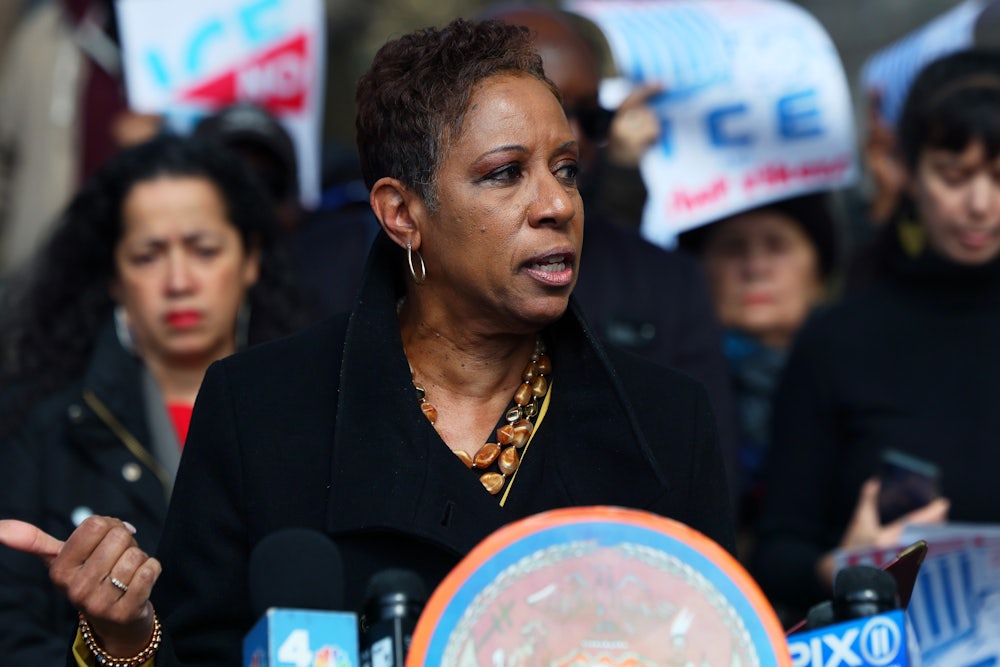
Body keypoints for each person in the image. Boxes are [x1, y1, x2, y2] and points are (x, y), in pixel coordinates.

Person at [0, 18, 735, 666]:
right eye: (505, 174)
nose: (554, 204)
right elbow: (193, 651)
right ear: (401, 212)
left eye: (566, 169)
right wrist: (122, 639)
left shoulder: (668, 425)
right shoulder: (260, 411)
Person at [0, 134, 306, 664]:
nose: (179, 281)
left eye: (204, 250)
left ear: (251, 259)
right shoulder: (40, 429)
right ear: (114, 279)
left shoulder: (321, 405)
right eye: (148, 255)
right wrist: (108, 646)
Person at [750, 48, 1000, 625]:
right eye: (954, 176)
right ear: (907, 171)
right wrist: (849, 566)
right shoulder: (839, 340)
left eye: (998, 176)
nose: (980, 205)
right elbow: (776, 551)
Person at [490, 6, 740, 500]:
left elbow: (708, 490)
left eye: (589, 116)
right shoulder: (373, 273)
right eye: (548, 111)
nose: (574, 138)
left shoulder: (667, 282)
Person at [677, 193, 839, 546]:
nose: (755, 267)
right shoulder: (669, 388)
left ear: (819, 272)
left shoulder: (852, 375)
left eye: (777, 246)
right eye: (733, 248)